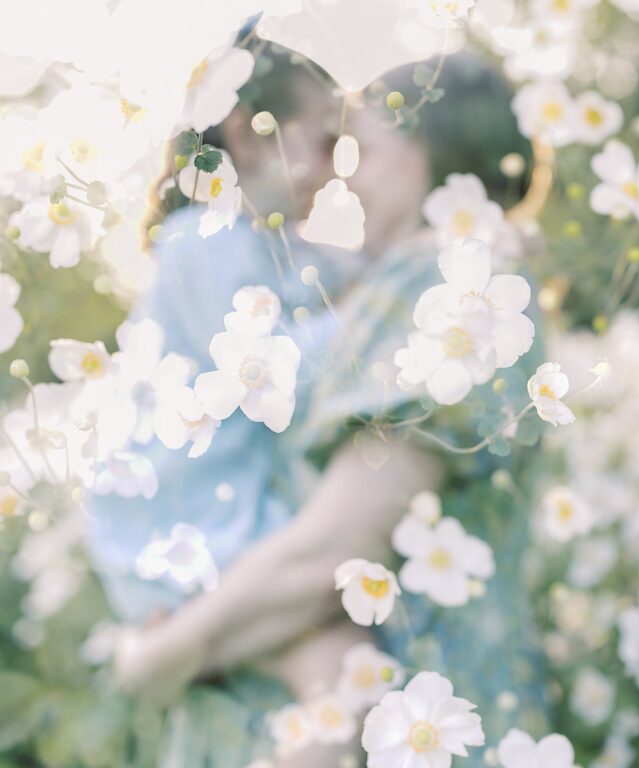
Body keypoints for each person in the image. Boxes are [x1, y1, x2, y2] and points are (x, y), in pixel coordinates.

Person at [90, 47, 550, 767]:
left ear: (436, 156)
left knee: (337, 675)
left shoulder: (446, 286)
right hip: (194, 539)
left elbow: (328, 554)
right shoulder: (226, 250)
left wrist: (159, 653)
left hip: (405, 717)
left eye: (359, 147)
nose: (342, 175)